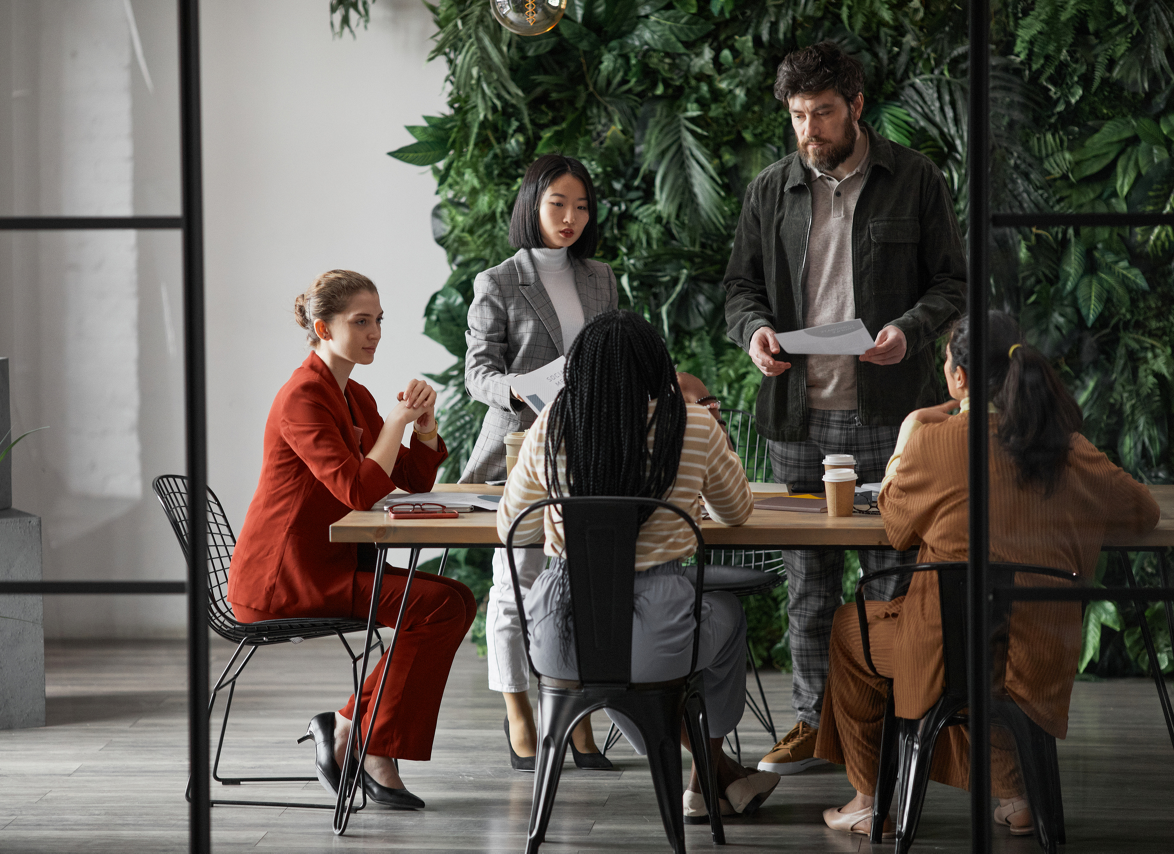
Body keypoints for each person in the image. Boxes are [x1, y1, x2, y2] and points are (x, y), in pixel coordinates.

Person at [815, 311, 1160, 836]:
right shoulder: (1070, 450)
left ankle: (869, 800)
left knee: (852, 628)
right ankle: (1019, 795)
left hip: (951, 659)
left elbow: (895, 524)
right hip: (1039, 657)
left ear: (958, 377)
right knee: (992, 644)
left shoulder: (934, 444)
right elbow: (1143, 512)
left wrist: (909, 435)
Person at [721, 40, 967, 774]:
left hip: (894, 419)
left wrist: (910, 330)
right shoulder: (771, 189)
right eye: (797, 116)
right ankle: (811, 723)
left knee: (892, 578)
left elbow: (952, 283)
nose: (808, 131)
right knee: (808, 583)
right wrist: (753, 334)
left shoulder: (915, 179)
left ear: (856, 106)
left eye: (822, 113)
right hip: (798, 416)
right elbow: (740, 288)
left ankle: (887, 726)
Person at [497, 310, 782, 821]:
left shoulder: (553, 423)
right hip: (659, 634)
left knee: (611, 672)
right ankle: (705, 780)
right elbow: (736, 512)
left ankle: (714, 778)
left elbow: (510, 526)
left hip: (564, 639)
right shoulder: (692, 424)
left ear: (578, 370)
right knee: (726, 618)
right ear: (657, 366)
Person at [227, 270, 477, 810]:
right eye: (360, 321)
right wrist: (393, 424)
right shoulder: (304, 396)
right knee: (434, 607)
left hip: (332, 562)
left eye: (379, 320)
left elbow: (409, 477)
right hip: (286, 576)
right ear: (323, 327)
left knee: (455, 600)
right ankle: (372, 745)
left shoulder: (352, 393)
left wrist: (424, 428)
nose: (375, 332)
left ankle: (346, 725)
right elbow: (359, 490)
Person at [460, 153, 619, 770]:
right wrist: (526, 385)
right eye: (558, 204)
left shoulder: (600, 277)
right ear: (532, 204)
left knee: (579, 589)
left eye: (582, 206)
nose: (571, 217)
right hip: (520, 454)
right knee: (515, 590)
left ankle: (574, 716)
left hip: (587, 454)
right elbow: (478, 376)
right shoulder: (498, 281)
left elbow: (613, 357)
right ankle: (519, 714)